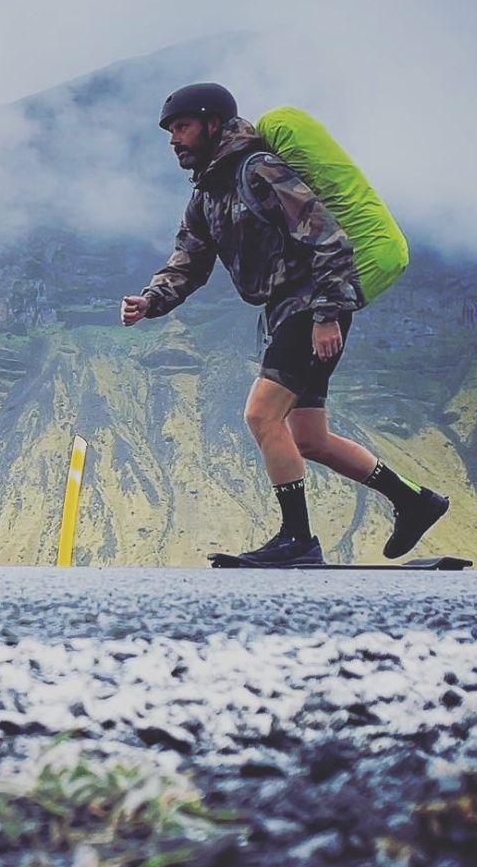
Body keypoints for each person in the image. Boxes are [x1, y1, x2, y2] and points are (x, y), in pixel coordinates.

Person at [121, 83, 448, 565]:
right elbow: (189, 260)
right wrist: (151, 300)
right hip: (283, 311)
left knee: (261, 416)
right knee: (309, 438)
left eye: (183, 126)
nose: (174, 139)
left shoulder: (260, 171)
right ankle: (415, 501)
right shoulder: (208, 194)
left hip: (309, 305)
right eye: (171, 131)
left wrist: (326, 314)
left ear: (214, 124)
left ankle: (297, 541)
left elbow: (329, 239)